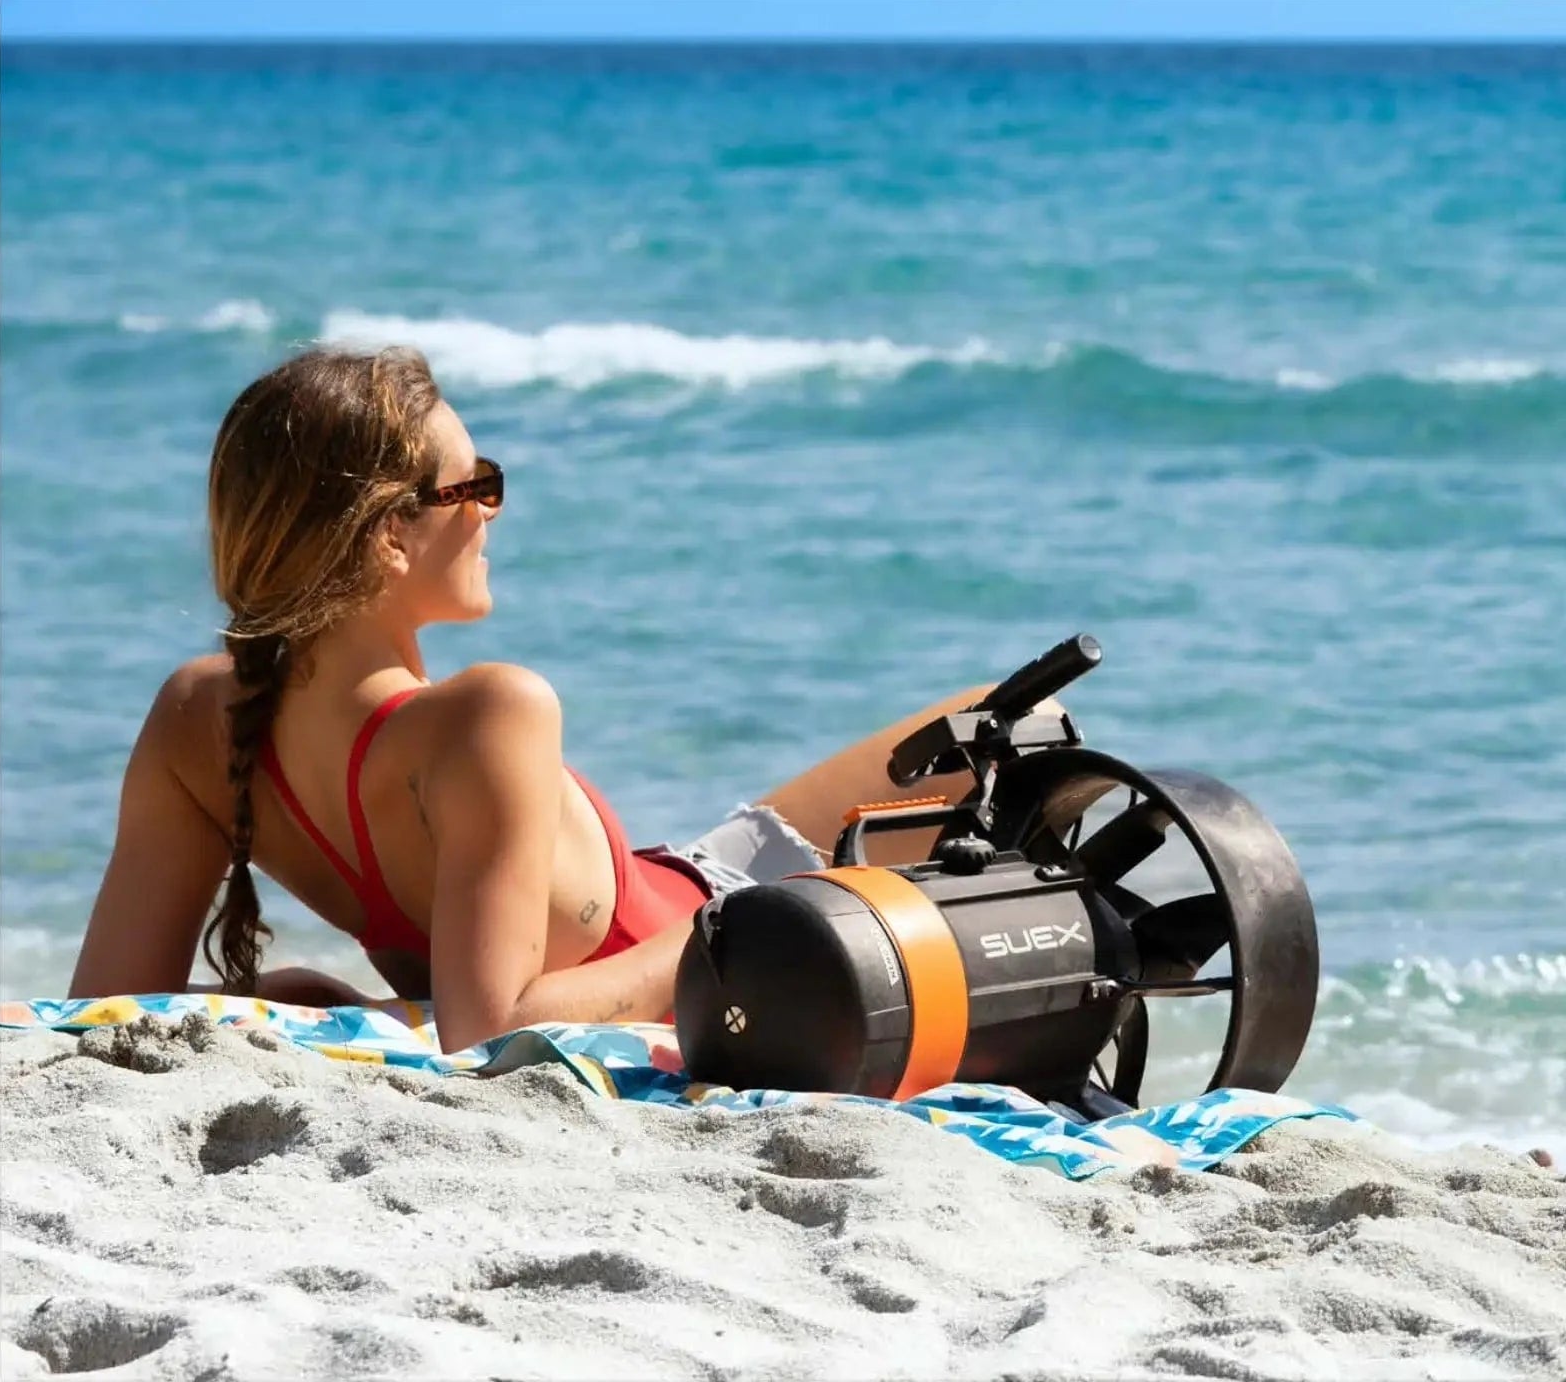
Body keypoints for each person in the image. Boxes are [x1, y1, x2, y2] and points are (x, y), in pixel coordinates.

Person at [67, 344, 1026, 1055]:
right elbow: (492, 1032)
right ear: (391, 536)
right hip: (727, 919)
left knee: (998, 716)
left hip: (690, 875)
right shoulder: (488, 714)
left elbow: (106, 1008)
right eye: (474, 486)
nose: (492, 510)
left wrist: (304, 1006)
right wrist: (772, 918)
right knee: (1024, 740)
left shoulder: (199, 718)